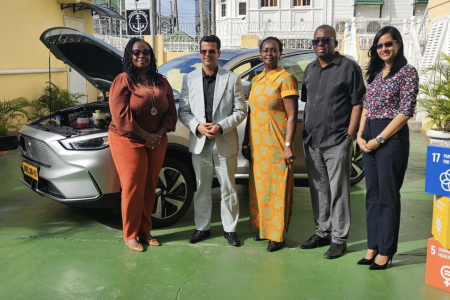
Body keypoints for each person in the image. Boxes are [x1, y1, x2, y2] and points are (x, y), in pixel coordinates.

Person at [299, 25, 365, 259]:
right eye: (316, 40)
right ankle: (322, 232)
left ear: (335, 43)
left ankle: (339, 239)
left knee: (338, 191)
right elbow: (307, 103)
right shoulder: (309, 69)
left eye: (325, 40)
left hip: (337, 139)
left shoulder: (348, 68)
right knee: (318, 190)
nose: (320, 44)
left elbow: (358, 102)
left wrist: (349, 135)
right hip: (313, 140)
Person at [356, 26, 418, 270]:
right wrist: (360, 134)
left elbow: (405, 112)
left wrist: (379, 139)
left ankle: (386, 250)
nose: (384, 49)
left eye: (388, 44)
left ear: (398, 44)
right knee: (372, 193)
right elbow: (367, 106)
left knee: (388, 195)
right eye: (379, 45)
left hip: (390, 137)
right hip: (369, 132)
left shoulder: (407, 73)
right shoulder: (377, 72)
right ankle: (373, 247)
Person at [108, 38, 177, 252]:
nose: (141, 56)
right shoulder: (123, 80)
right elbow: (121, 117)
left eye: (146, 52)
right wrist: (146, 135)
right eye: (136, 52)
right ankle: (130, 234)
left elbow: (171, 113)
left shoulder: (161, 81)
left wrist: (157, 134)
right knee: (132, 186)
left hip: (157, 139)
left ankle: (146, 230)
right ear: (129, 55)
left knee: (150, 185)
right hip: (128, 139)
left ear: (151, 56)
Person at [179, 35, 247, 247]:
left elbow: (241, 111)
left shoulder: (232, 78)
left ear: (218, 53)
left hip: (224, 141)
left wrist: (221, 127)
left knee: (228, 187)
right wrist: (198, 126)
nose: (207, 54)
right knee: (201, 187)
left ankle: (230, 229)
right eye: (204, 51)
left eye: (212, 51)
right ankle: (202, 227)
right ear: (200, 53)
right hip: (200, 141)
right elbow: (184, 111)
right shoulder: (189, 79)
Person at [241, 36, 299, 252]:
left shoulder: (286, 78)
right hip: (258, 144)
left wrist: (287, 145)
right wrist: (246, 141)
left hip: (276, 144)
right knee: (260, 189)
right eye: (265, 50)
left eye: (273, 50)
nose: (269, 54)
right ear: (260, 53)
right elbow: (251, 112)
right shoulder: (256, 80)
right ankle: (264, 229)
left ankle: (277, 235)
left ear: (280, 53)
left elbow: (292, 116)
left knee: (277, 189)